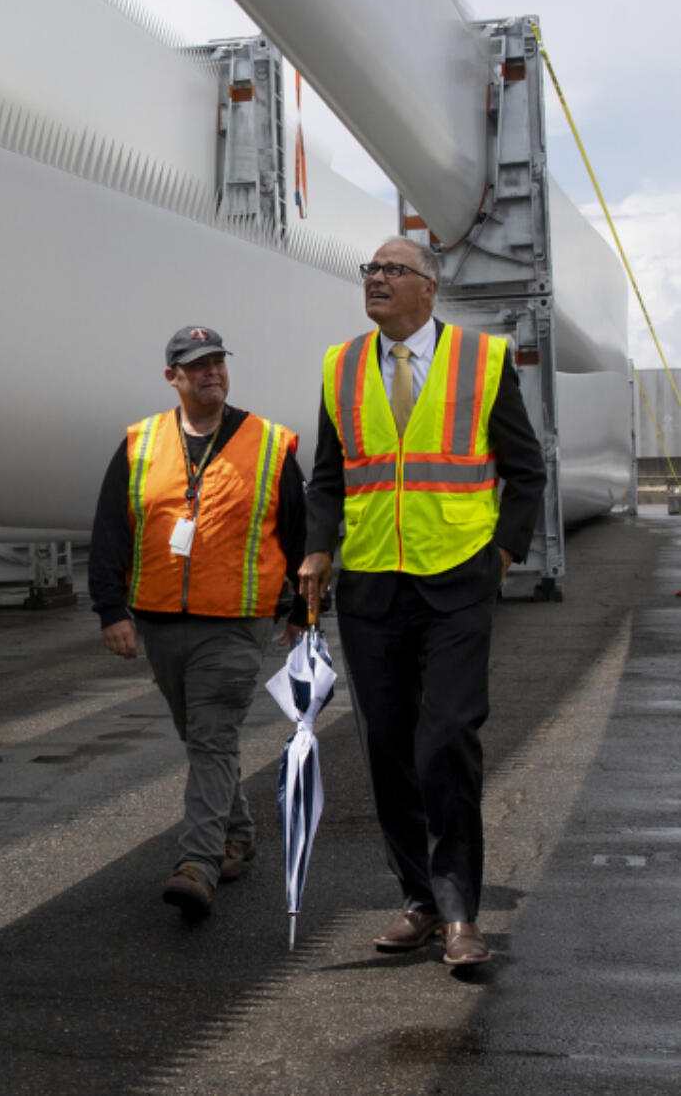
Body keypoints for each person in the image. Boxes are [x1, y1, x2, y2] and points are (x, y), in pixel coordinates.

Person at [299, 237, 546, 968]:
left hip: (456, 584)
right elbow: (326, 478)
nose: (375, 279)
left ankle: (462, 911)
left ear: (429, 288)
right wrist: (319, 546)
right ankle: (419, 902)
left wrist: (502, 554)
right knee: (387, 748)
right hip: (373, 583)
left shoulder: (483, 360)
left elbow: (526, 471)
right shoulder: (341, 367)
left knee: (447, 739)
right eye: (370, 271)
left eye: (391, 270)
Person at [89, 325, 305, 920]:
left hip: (236, 623)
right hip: (159, 622)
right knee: (200, 738)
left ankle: (198, 863)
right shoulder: (140, 443)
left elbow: (300, 533)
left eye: (217, 362)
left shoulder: (269, 444)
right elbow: (110, 533)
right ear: (173, 377)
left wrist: (307, 611)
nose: (211, 372)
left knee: (213, 737)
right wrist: (112, 611)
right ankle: (237, 832)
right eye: (196, 365)